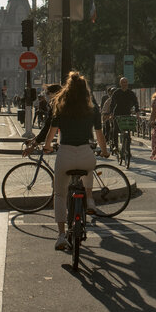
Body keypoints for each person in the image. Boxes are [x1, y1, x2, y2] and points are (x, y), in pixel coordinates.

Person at [42, 72, 110, 250]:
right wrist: (104, 151)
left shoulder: (60, 105)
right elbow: (99, 134)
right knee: (88, 168)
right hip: (85, 153)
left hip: (65, 154)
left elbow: (52, 130)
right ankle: (89, 198)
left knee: (60, 195)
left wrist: (47, 146)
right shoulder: (92, 108)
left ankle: (61, 235)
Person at [23, 84, 62, 156]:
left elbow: (47, 128)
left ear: (55, 94)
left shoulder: (57, 107)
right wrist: (33, 140)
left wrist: (33, 146)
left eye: (48, 93)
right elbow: (46, 128)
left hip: (67, 146)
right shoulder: (62, 105)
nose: (46, 96)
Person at [108, 77, 140, 150]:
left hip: (127, 113)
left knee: (127, 131)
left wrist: (137, 112)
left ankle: (127, 150)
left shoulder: (131, 93)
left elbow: (136, 103)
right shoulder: (116, 92)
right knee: (115, 130)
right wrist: (111, 114)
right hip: (117, 113)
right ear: (120, 84)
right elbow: (112, 104)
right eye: (123, 82)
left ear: (127, 83)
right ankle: (116, 146)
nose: (124, 84)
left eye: (125, 82)